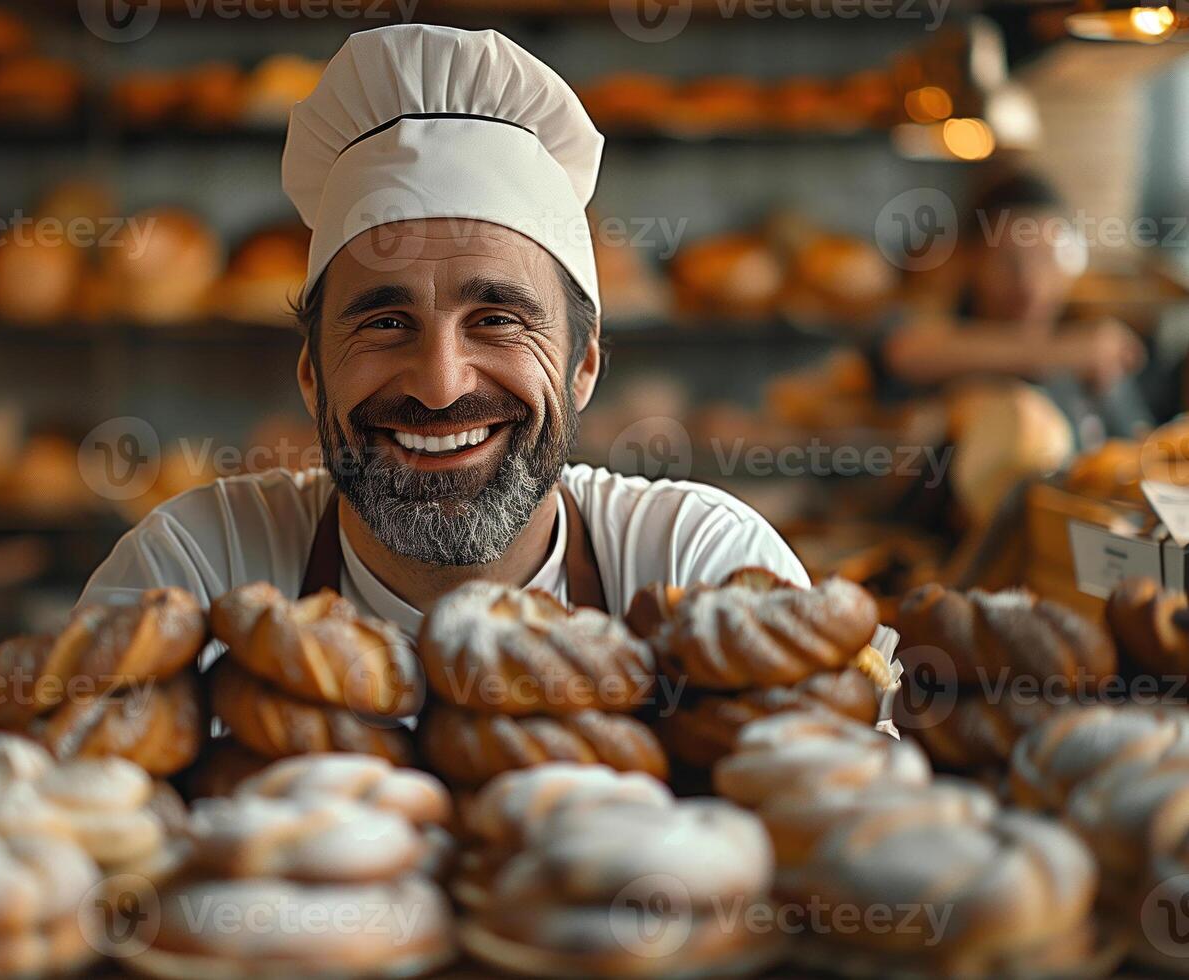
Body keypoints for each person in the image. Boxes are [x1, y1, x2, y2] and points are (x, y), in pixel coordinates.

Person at [79, 24, 806, 636]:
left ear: (582, 364)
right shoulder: (194, 573)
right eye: (386, 323)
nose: (438, 385)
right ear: (312, 373)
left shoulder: (701, 568)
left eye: (496, 321)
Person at [873, 171, 1148, 438]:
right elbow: (906, 352)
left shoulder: (1089, 344)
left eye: (1046, 258)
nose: (1030, 285)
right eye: (1008, 262)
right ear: (972, 261)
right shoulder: (938, 332)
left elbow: (1141, 451)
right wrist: (1062, 351)